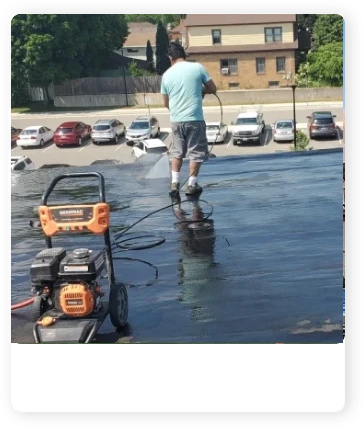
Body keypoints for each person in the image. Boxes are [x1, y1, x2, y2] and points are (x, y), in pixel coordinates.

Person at [160, 42, 217, 197]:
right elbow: (213, 88)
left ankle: (174, 183)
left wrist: (177, 112)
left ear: (170, 57)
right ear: (184, 55)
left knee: (177, 153)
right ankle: (191, 185)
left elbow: (165, 102)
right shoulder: (197, 68)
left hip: (176, 120)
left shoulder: (166, 75)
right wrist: (201, 90)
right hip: (194, 119)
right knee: (196, 153)